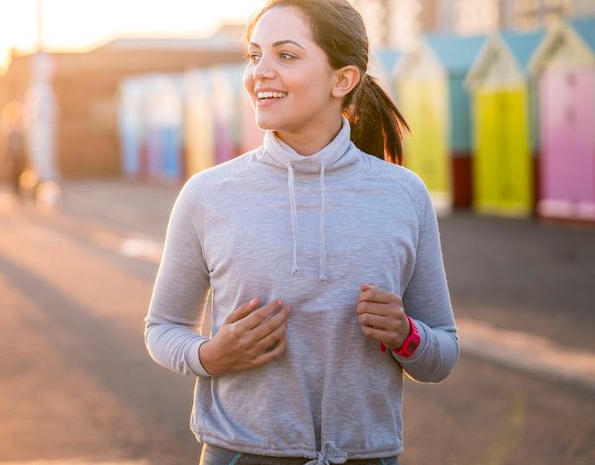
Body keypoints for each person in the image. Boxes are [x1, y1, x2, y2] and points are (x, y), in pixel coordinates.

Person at [144, 2, 459, 465]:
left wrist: (405, 335)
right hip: (239, 454)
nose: (260, 74)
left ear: (342, 79)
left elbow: (443, 352)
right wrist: (211, 355)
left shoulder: (403, 195)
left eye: (285, 56)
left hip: (368, 455)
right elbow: (163, 328)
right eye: (255, 56)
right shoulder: (208, 194)